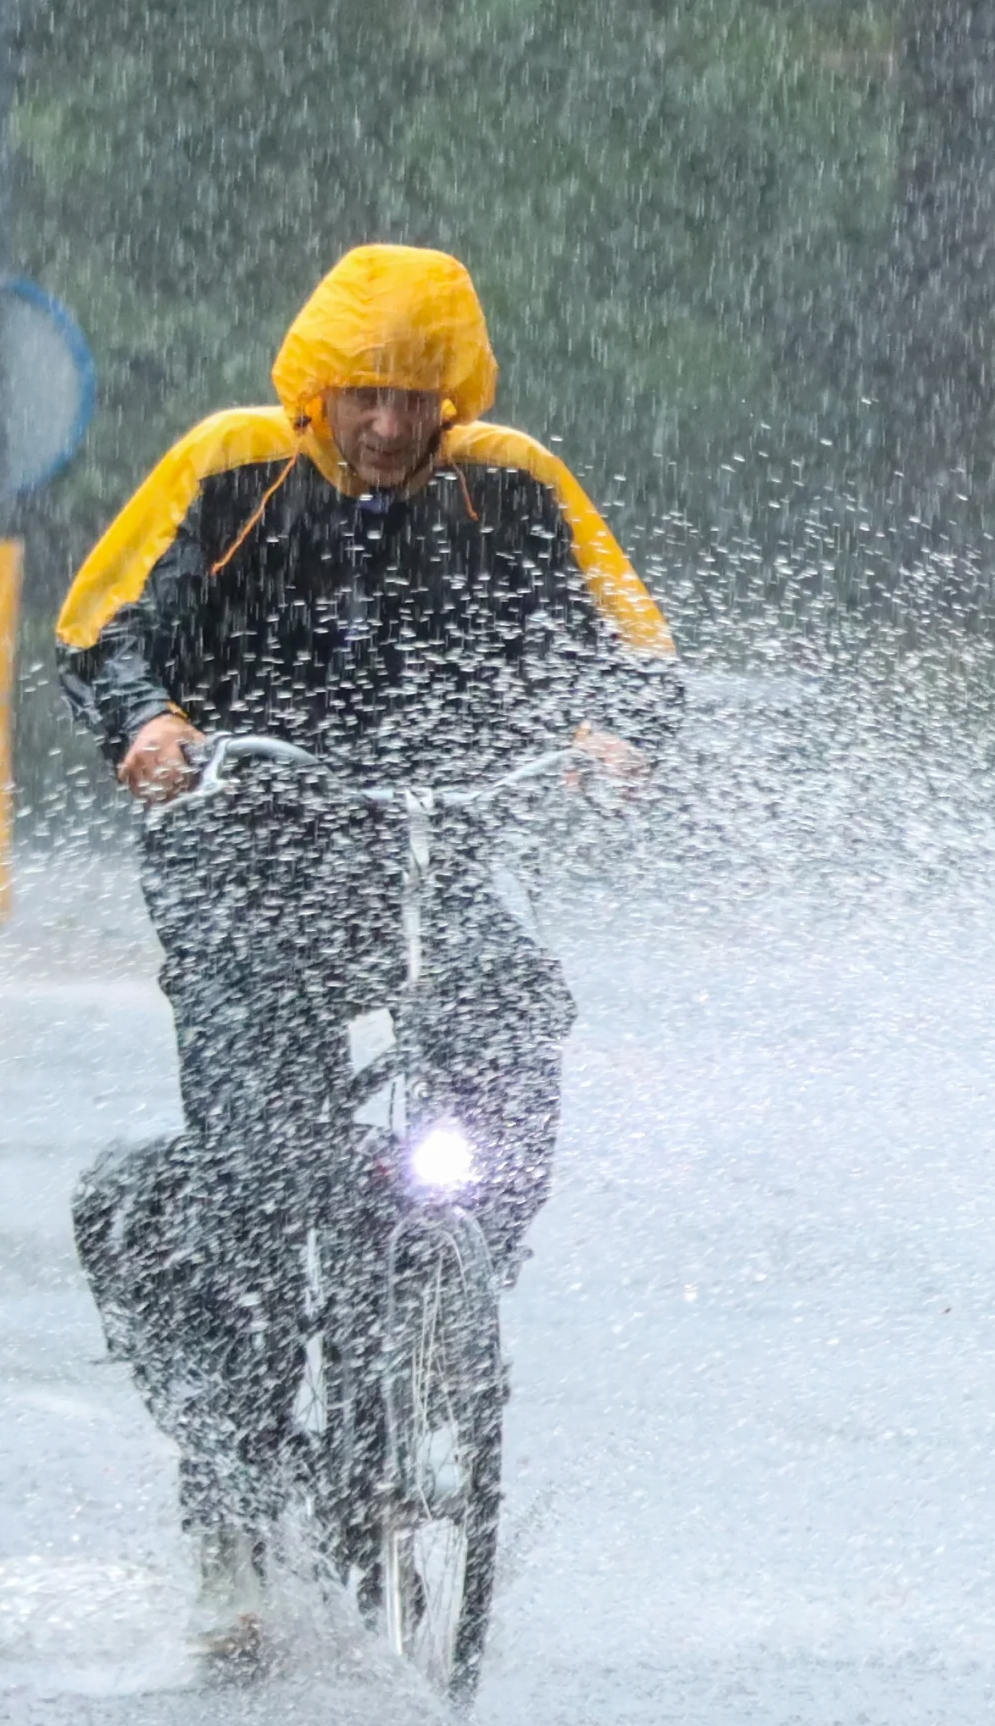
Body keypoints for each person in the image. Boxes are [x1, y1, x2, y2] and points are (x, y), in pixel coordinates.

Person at [55, 244, 678, 1610]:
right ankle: (239, 1471)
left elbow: (632, 642)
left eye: (417, 397)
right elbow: (103, 622)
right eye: (364, 398)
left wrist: (613, 732)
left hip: (427, 855)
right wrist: (148, 720)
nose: (390, 426)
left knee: (511, 1010)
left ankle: (444, 1289)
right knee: (265, 1179)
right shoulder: (231, 468)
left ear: (455, 395)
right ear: (315, 392)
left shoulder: (508, 484)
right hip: (243, 866)